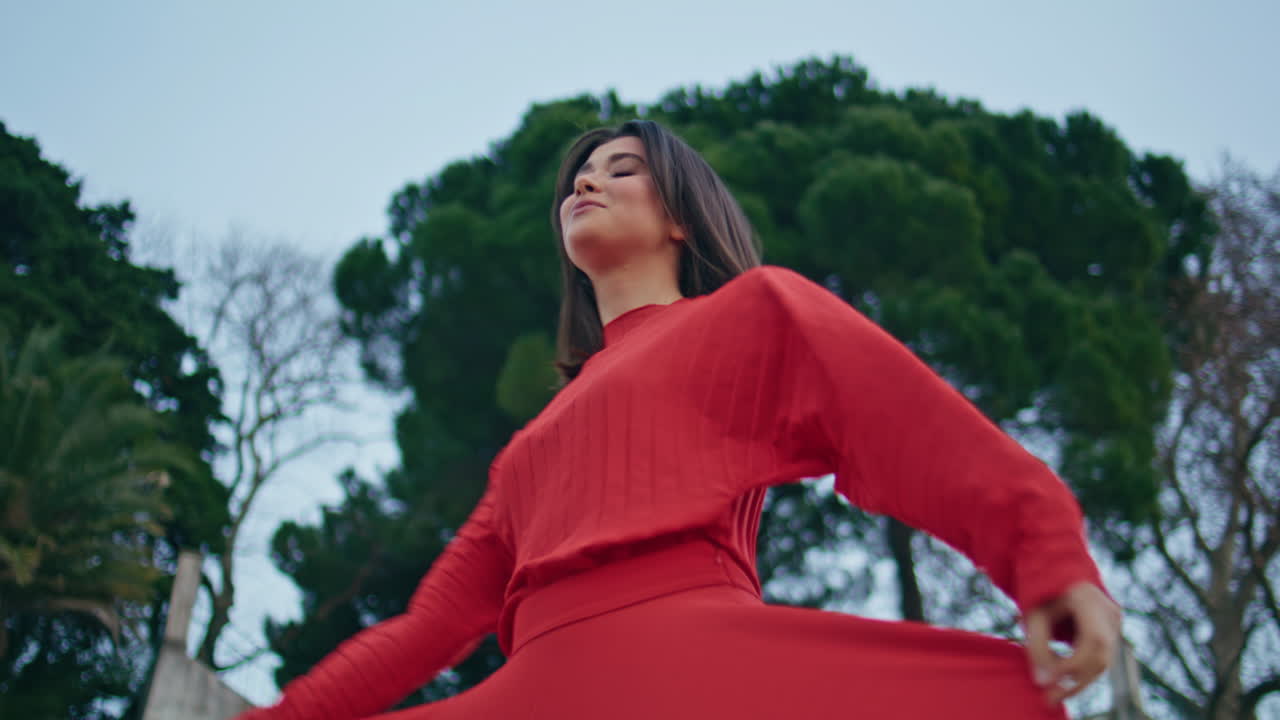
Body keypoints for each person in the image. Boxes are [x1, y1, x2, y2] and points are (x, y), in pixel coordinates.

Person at [238, 120, 1121, 719]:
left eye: (623, 169)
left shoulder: (752, 316)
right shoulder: (527, 453)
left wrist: (1048, 556)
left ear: (682, 223)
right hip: (536, 689)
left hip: (701, 670)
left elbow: (909, 423)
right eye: (581, 175)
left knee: (995, 696)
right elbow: (421, 634)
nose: (587, 178)